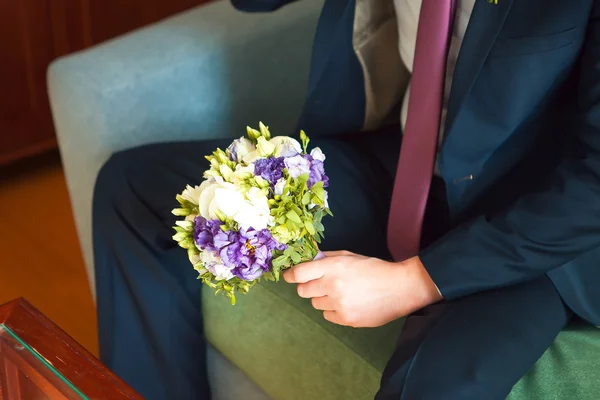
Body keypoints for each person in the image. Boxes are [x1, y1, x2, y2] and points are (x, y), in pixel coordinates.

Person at [92, 0, 600, 398]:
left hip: (534, 218)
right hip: (407, 161)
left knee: (438, 386)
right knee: (135, 191)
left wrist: (414, 281)